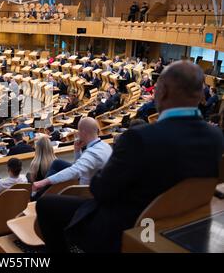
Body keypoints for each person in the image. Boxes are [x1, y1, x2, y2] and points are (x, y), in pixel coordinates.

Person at [36, 61, 224, 253]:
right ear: (200, 95)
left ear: (163, 91)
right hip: (182, 224)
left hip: (126, 226)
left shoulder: (139, 138)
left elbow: (101, 190)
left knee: (45, 205)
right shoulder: (216, 137)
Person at [33, 118, 112, 192]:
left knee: (42, 202)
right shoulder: (106, 146)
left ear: (83, 132)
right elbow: (81, 165)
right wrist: (77, 150)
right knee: (57, 163)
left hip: (86, 192)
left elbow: (74, 171)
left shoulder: (92, 153)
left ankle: (38, 196)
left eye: (79, 131)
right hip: (93, 179)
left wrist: (43, 182)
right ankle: (41, 192)